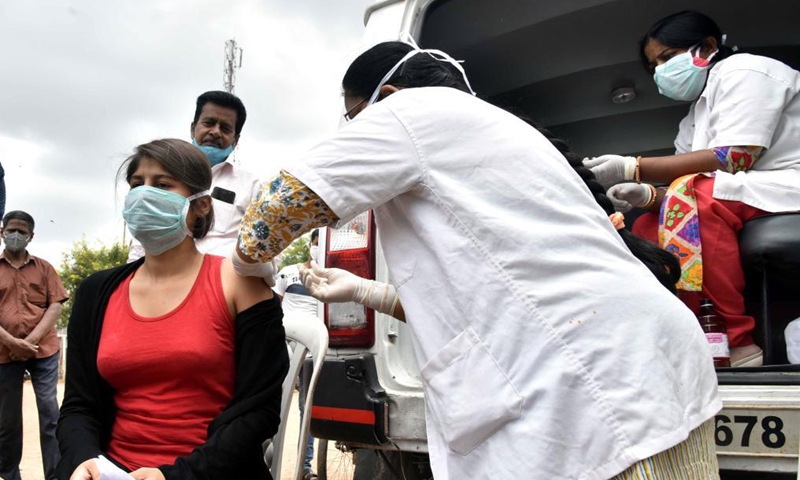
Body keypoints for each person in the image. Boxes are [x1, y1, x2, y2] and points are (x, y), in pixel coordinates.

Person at [230, 41, 721, 479]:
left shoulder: (409, 111)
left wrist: (243, 265)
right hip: (644, 358)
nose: (358, 130)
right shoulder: (496, 130)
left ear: (391, 93)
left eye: (356, 116)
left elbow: (273, 213)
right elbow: (486, 293)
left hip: (592, 382)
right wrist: (363, 291)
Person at [56, 139, 288, 480]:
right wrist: (83, 459)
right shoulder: (97, 292)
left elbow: (258, 413)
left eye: (162, 185)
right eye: (136, 184)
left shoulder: (241, 284)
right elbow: (79, 406)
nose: (143, 195)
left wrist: (175, 475)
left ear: (202, 206)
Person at [586, 11, 800, 368]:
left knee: (697, 200)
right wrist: (648, 196)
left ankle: (736, 343)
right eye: (654, 65)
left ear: (709, 46)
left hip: (786, 183)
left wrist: (633, 166)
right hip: (743, 193)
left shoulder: (747, 71)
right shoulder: (693, 116)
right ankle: (695, 334)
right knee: (644, 228)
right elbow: (681, 182)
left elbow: (736, 157)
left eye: (667, 58)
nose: (660, 71)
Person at [127, 92, 273, 283]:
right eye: (209, 123)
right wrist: (131, 276)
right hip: (160, 282)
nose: (215, 132)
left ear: (235, 140)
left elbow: (266, 245)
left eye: (226, 128)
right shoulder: (160, 177)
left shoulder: (251, 186)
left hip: (225, 288)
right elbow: (145, 229)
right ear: (193, 128)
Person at [0, 210, 67, 480]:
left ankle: (55, 474)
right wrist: (12, 342)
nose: (16, 235)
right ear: (2, 231)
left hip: (44, 351)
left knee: (50, 412)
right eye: (11, 230)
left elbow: (55, 306)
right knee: (7, 419)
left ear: (31, 236)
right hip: (4, 352)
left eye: (22, 232)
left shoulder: (44, 268)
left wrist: (29, 342)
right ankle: (9, 473)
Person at [273, 230, 320, 480]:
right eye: (316, 244)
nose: (319, 249)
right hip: (287, 346)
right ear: (311, 245)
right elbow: (273, 305)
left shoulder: (332, 278)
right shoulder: (288, 271)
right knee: (274, 402)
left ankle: (305, 467)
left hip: (314, 350)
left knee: (307, 407)